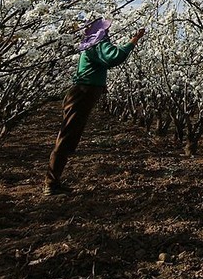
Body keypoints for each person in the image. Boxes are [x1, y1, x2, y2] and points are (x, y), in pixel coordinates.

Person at [43, 17, 143, 196]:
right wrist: (134, 40)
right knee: (66, 137)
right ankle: (51, 184)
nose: (108, 32)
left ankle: (54, 181)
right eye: (106, 29)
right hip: (82, 94)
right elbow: (115, 57)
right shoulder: (97, 44)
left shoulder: (91, 44)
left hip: (82, 94)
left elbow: (102, 62)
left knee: (69, 136)